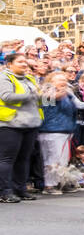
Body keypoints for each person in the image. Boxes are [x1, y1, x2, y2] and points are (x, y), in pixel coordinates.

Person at [38, 70, 84, 194]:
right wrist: (55, 95)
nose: (63, 82)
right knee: (52, 159)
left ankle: (61, 183)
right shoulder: (47, 90)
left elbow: (77, 106)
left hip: (65, 130)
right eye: (59, 79)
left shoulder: (67, 93)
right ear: (51, 81)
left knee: (62, 160)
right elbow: (46, 104)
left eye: (64, 79)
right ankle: (49, 185)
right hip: (51, 130)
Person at [0, 52, 42, 203]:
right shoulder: (4, 77)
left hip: (30, 123)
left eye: (25, 62)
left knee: (24, 159)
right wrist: (32, 95)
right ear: (10, 64)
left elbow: (40, 98)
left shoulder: (30, 78)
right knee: (7, 159)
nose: (24, 64)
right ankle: (5, 192)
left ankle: (20, 189)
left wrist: (48, 95)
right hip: (10, 124)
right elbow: (6, 96)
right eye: (20, 62)